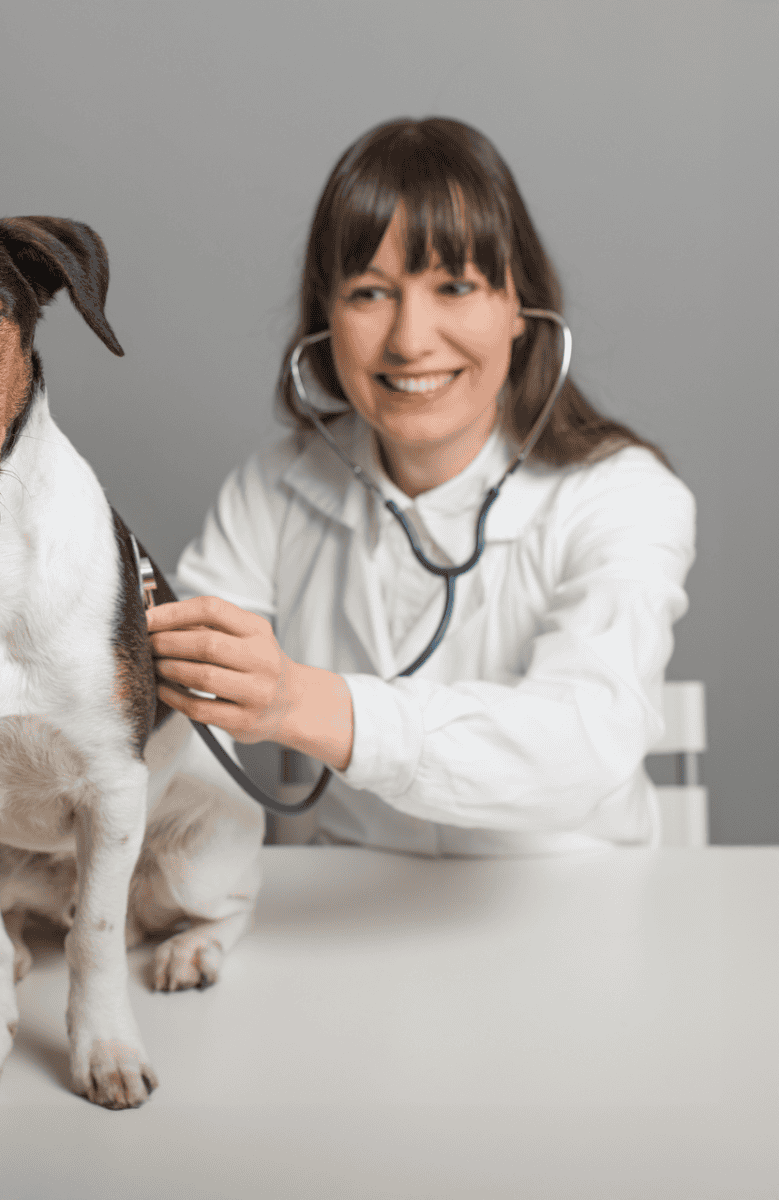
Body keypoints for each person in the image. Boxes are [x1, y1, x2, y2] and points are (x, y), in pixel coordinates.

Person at [146, 117, 696, 856]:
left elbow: (585, 744)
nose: (411, 339)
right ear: (326, 319)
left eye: (456, 286)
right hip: (347, 903)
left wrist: (303, 702)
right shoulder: (275, 487)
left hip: (573, 904)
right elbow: (181, 710)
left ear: (520, 312)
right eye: (370, 293)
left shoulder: (625, 496)